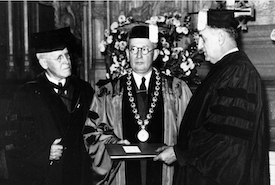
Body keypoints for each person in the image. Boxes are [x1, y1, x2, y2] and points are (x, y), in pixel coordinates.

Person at [153, 10, 270, 185]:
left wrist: (180, 153)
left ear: (220, 38)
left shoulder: (239, 73)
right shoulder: (225, 69)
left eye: (203, 38)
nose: (199, 46)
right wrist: (178, 150)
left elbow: (226, 139)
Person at [83, 24, 192, 185]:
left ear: (155, 54)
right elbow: (90, 133)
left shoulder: (176, 90)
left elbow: (192, 132)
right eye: (134, 49)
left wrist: (176, 151)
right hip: (122, 172)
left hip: (166, 174)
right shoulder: (108, 92)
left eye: (145, 49)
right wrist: (114, 144)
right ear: (127, 53)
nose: (139, 55)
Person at [5, 27, 94, 185]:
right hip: (48, 176)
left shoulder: (84, 89)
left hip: (81, 174)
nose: (67, 61)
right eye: (59, 58)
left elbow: (96, 129)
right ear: (43, 62)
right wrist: (45, 151)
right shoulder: (26, 95)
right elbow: (14, 141)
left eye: (67, 55)